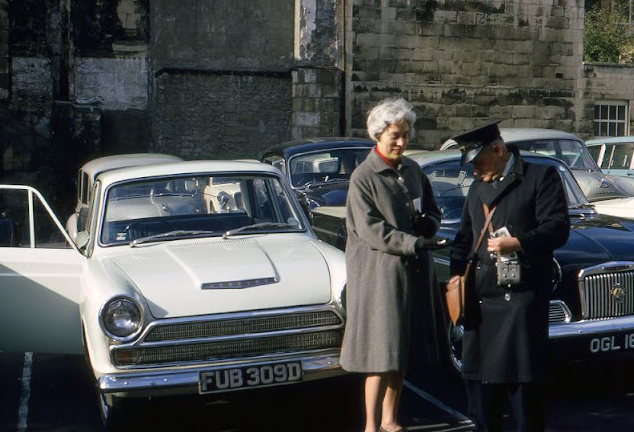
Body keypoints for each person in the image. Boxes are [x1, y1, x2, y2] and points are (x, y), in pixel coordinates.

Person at [448, 121, 570, 432]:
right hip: (480, 302)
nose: (475, 171)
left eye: (478, 163)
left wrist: (518, 242)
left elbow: (557, 228)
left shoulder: (540, 177)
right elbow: (464, 238)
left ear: (498, 150)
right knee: (480, 391)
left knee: (522, 393)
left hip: (520, 301)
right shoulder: (477, 188)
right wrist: (454, 278)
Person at [340, 98, 444, 432]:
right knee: (380, 354)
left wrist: (429, 223)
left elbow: (432, 209)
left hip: (411, 272)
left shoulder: (413, 170)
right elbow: (373, 230)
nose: (401, 142)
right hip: (380, 276)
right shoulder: (364, 177)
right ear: (378, 135)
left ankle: (390, 419)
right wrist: (412, 243)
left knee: (402, 353)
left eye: (405, 134)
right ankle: (371, 425)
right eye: (395, 135)